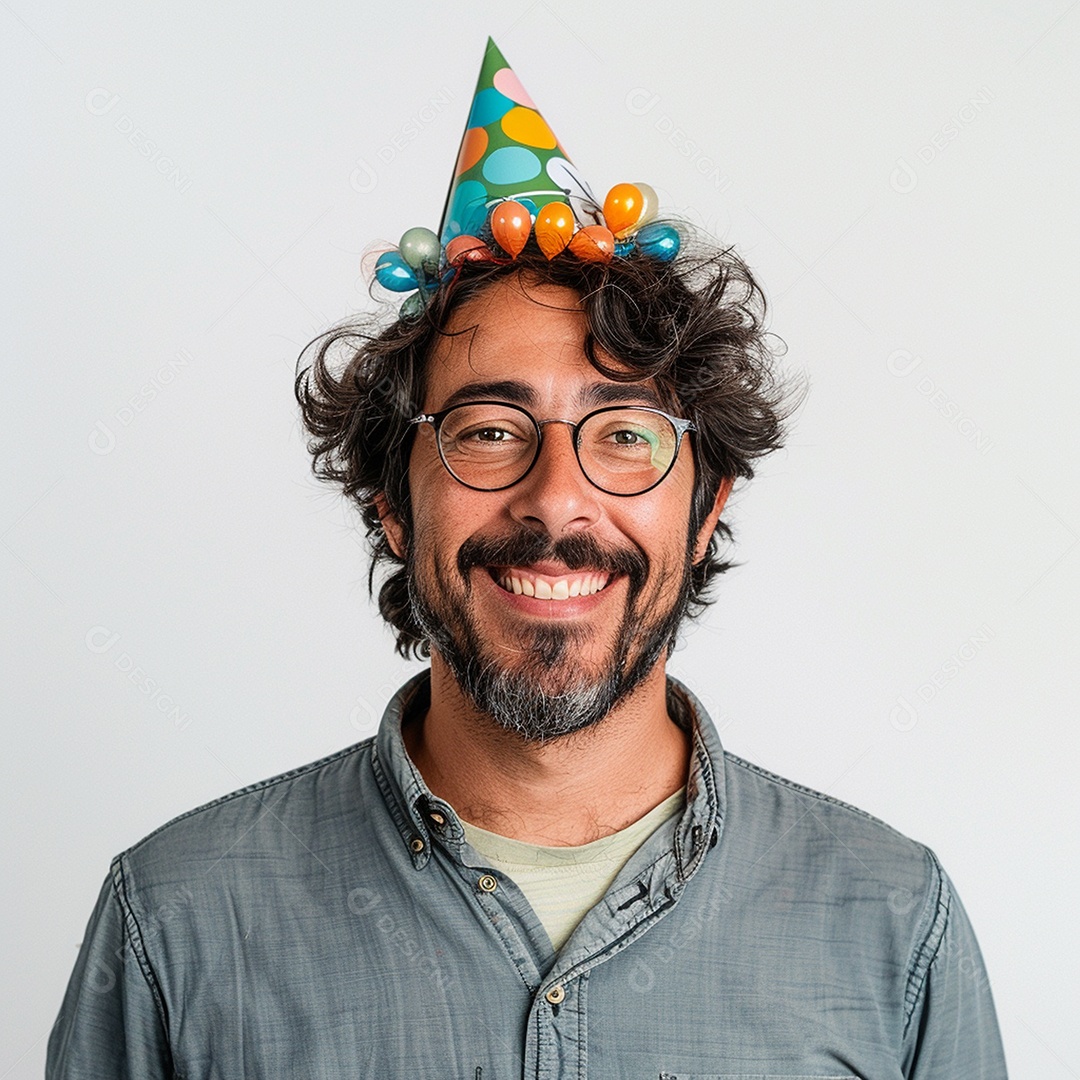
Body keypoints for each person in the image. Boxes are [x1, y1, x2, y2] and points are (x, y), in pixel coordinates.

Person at [47, 39, 1007, 1079]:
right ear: (392, 506)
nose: (556, 497)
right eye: (489, 431)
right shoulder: (175, 922)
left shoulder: (894, 924)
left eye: (626, 435)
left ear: (706, 510)